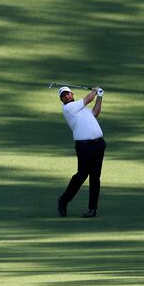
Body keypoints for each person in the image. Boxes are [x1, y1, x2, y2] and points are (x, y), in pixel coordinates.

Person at [57, 86, 105, 218]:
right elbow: (88, 98)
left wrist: (100, 96)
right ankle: (64, 199)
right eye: (63, 96)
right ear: (61, 100)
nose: (66, 96)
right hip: (84, 146)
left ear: (72, 94)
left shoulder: (81, 109)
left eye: (67, 94)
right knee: (82, 174)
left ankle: (92, 209)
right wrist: (95, 91)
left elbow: (95, 113)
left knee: (95, 177)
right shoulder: (68, 108)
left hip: (98, 144)